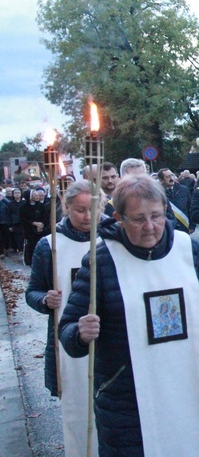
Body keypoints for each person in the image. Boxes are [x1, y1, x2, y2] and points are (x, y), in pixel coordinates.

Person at [58, 174, 199, 456]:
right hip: (126, 398)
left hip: (186, 386)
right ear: (118, 217)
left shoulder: (187, 250)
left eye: (156, 215)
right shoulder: (103, 259)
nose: (150, 226)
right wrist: (79, 334)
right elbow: (67, 328)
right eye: (138, 218)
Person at [26, 181, 105, 456]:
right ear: (66, 207)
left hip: (109, 337)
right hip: (68, 343)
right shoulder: (49, 246)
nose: (87, 216)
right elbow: (32, 291)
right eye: (80, 210)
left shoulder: (112, 238)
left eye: (93, 209)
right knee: (78, 412)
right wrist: (45, 300)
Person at [157, 168, 194, 234]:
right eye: (167, 177)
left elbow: (190, 207)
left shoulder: (184, 190)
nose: (171, 178)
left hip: (184, 226)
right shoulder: (158, 193)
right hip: (168, 229)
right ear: (161, 180)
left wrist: (192, 226)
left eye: (172, 175)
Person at [20, 188, 50, 266]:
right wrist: (34, 223)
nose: (37, 196)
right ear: (30, 197)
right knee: (31, 247)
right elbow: (23, 219)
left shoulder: (41, 206)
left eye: (37, 195)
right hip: (30, 231)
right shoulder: (23, 207)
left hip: (41, 230)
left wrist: (41, 224)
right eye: (35, 195)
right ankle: (31, 261)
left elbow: (46, 217)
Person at [8, 188, 24, 254]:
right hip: (15, 222)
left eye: (18, 193)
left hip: (23, 222)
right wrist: (10, 225)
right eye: (15, 193)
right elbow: (9, 214)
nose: (17, 194)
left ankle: (23, 249)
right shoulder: (11, 204)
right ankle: (19, 249)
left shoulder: (24, 202)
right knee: (17, 237)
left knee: (23, 236)